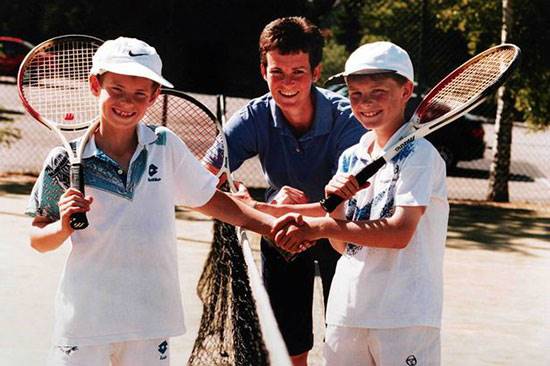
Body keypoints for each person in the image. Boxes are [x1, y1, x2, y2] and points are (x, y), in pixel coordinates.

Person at [26, 37, 296, 366]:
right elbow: (38, 238)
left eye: (140, 93)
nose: (128, 102)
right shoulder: (62, 161)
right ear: (96, 85)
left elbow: (212, 200)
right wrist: (62, 226)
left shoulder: (165, 145)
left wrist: (272, 226)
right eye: (118, 89)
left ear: (154, 96)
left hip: (150, 322)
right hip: (84, 323)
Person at [203, 16, 365, 365]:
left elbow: (343, 205)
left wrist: (264, 211)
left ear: (317, 72)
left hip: (341, 229)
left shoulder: (347, 120)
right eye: (277, 72)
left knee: (348, 345)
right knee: (288, 351)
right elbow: (202, 179)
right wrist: (236, 193)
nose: (287, 82)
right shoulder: (252, 117)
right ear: (263, 71)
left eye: (298, 72)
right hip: (281, 235)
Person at [275, 41, 449, 365]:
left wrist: (317, 226)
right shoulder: (351, 156)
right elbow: (342, 246)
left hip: (404, 318)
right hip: (346, 312)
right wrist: (336, 209)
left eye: (377, 92)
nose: (364, 103)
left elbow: (399, 233)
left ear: (406, 90)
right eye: (355, 94)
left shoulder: (422, 157)